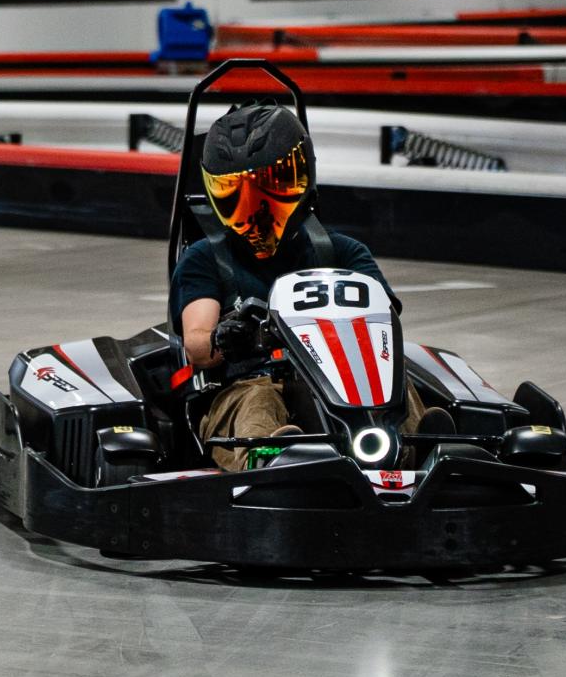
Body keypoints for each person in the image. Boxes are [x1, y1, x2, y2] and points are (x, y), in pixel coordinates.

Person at [169, 102, 423, 471]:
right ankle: (275, 462)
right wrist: (226, 337)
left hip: (342, 384)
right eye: (234, 193)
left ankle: (421, 450)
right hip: (250, 381)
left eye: (268, 188)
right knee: (258, 400)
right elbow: (197, 343)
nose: (253, 210)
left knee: (397, 383)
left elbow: (384, 321)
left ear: (301, 179)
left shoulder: (343, 252)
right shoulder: (205, 258)